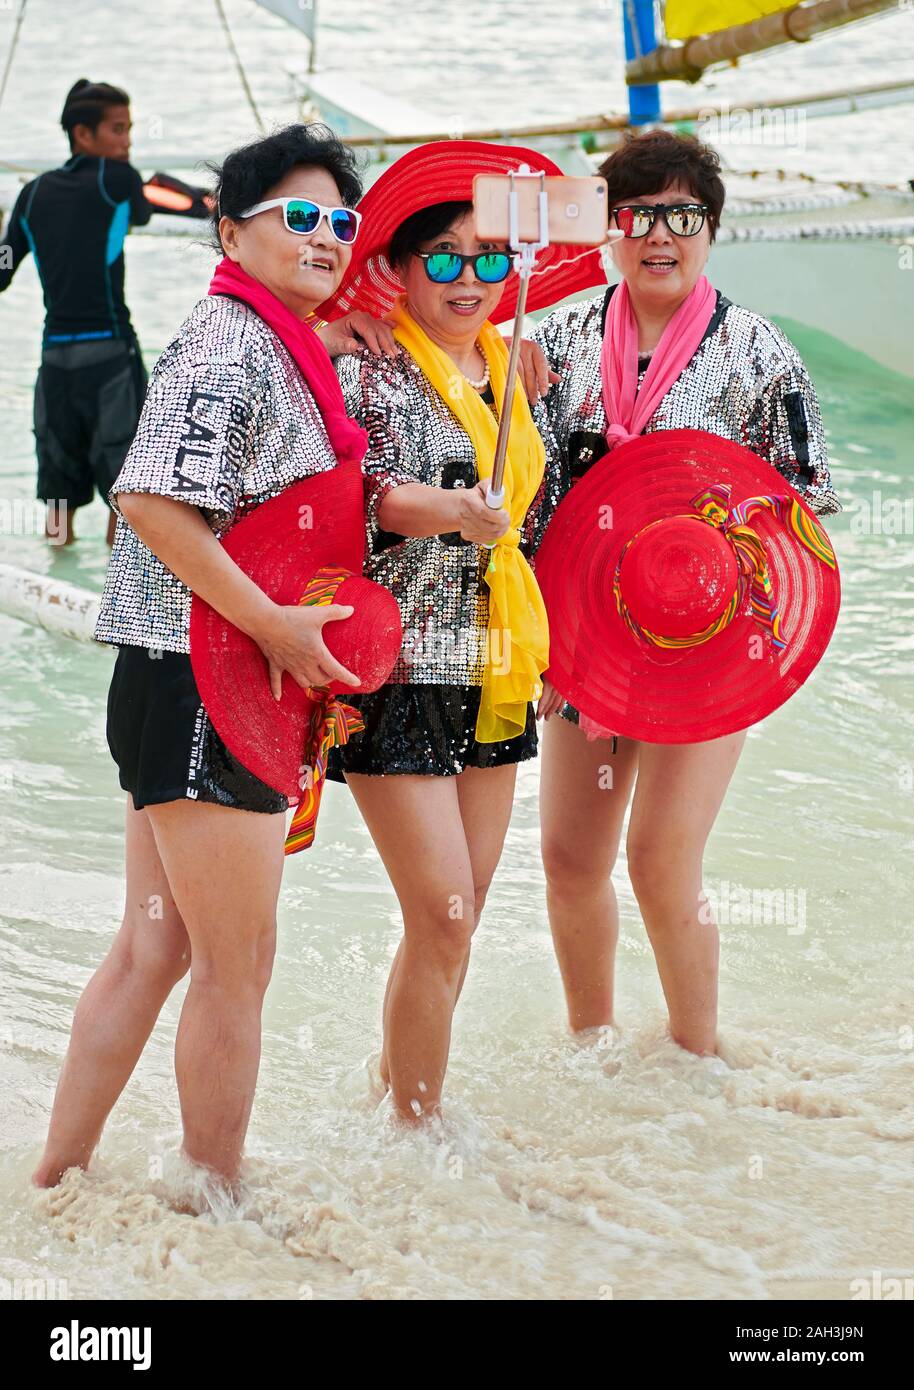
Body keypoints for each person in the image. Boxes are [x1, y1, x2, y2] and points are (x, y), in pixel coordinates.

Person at [32, 123, 370, 1193]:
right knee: (235, 962)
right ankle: (208, 1189)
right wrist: (273, 623)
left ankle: (55, 1178)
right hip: (206, 679)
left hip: (170, 677)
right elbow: (147, 502)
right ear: (229, 231)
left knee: (154, 947)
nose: (324, 238)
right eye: (299, 217)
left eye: (341, 222)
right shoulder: (232, 345)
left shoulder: (277, 339)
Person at [519, 129, 841, 1057]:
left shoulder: (759, 355)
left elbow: (807, 508)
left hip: (710, 635)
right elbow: (527, 496)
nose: (660, 234)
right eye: (639, 214)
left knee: (661, 863)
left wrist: (711, 526)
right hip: (584, 631)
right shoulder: (562, 340)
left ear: (711, 230)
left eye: (683, 216)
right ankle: (594, 1047)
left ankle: (699, 1058)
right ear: (610, 229)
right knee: (569, 859)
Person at [316, 140, 604, 1123]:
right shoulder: (367, 362)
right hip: (395, 665)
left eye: (487, 259)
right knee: (439, 913)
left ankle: (392, 1090)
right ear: (395, 269)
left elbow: (551, 515)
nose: (468, 279)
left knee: (459, 919)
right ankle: (417, 1129)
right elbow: (358, 499)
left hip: (497, 661)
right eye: (441, 258)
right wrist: (449, 511)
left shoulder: (521, 364)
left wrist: (566, 653)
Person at [0, 80, 154, 546]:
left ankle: (53, 585)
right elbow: (147, 211)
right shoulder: (119, 181)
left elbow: (3, 266)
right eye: (118, 129)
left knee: (58, 499)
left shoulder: (32, 193)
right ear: (83, 134)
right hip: (110, 359)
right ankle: (110, 597)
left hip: (56, 367)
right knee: (126, 492)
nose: (127, 140)